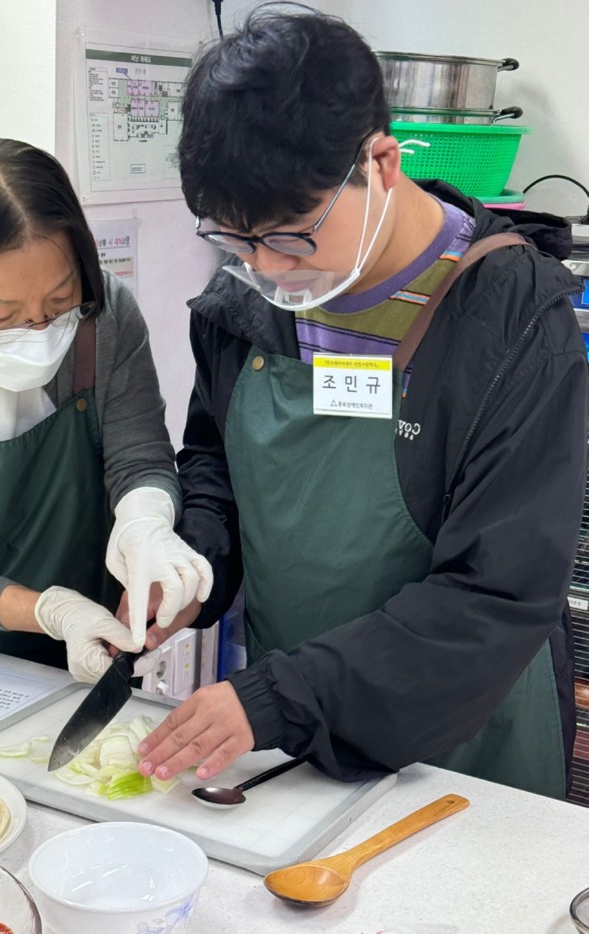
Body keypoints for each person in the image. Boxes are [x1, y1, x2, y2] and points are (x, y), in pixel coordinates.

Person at [133, 4, 588, 799]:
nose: (270, 269)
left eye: (293, 235)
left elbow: (501, 588)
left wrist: (283, 696)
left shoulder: (511, 317)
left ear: (380, 161)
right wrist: (191, 562)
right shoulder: (250, 293)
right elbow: (217, 464)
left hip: (464, 726)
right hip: (290, 719)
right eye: (235, 242)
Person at [0, 138, 211, 682]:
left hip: (93, 641)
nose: (38, 331)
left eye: (59, 301)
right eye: (1, 314)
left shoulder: (105, 316)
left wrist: (146, 522)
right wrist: (52, 611)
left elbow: (140, 460)